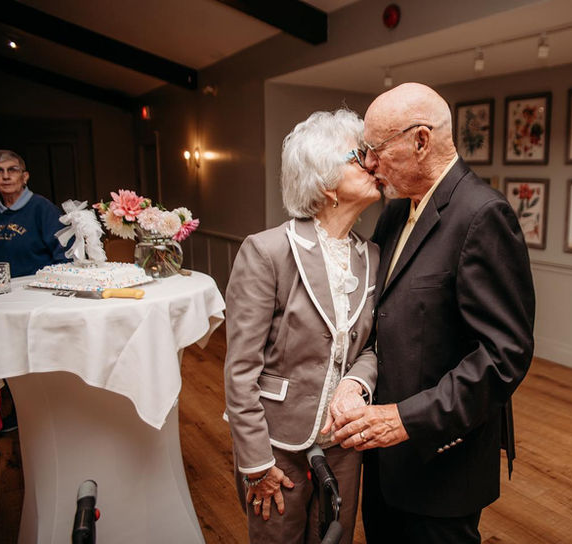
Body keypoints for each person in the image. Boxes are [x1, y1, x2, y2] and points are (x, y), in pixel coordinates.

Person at [332, 83, 536, 543]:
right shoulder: (394, 212)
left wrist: (406, 420)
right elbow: (384, 317)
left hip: (442, 462)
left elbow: (504, 356)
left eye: (376, 149)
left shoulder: (483, 215)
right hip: (385, 460)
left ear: (421, 141)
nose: (369, 163)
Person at [224, 108, 381, 544]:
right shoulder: (267, 252)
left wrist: (357, 384)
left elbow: (373, 346)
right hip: (276, 444)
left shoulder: (373, 257)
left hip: (344, 442)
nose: (372, 164)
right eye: (359, 157)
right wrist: (256, 464)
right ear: (326, 182)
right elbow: (240, 369)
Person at [0, 149, 69, 277]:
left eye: (13, 170)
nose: (6, 176)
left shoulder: (44, 209)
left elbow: (65, 258)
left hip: (35, 286)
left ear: (25, 177)